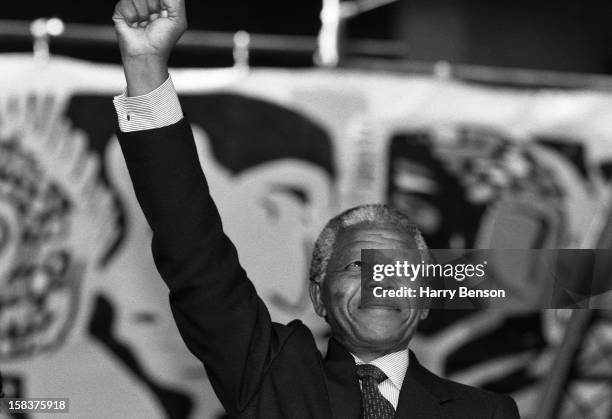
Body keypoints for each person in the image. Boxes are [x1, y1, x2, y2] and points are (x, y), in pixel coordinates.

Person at [111, 0, 521, 417]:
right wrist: (145, 65)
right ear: (319, 297)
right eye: (355, 268)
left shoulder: (486, 412)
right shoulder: (275, 376)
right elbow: (192, 249)